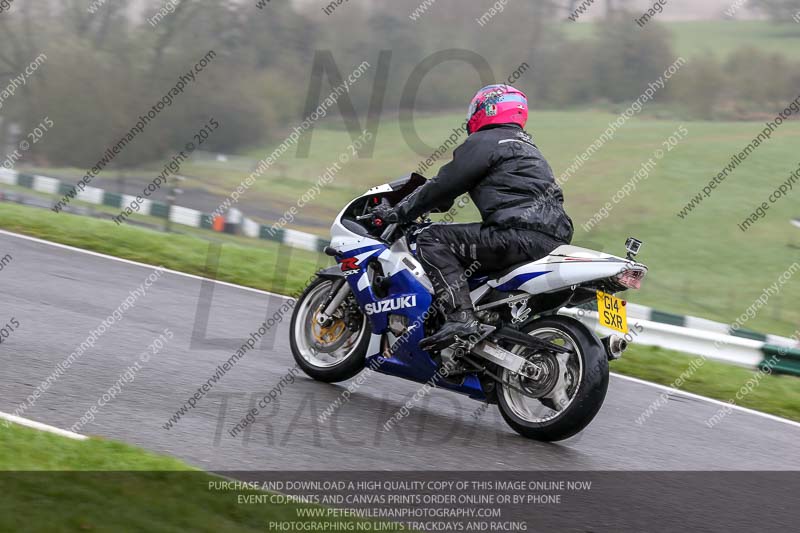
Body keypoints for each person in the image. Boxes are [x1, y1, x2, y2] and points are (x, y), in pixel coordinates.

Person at [374, 84, 574, 351]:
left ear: (488, 109)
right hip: (552, 241)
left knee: (432, 238)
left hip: (514, 236)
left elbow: (443, 185)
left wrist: (397, 212)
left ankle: (460, 318)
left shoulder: (485, 142)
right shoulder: (530, 149)